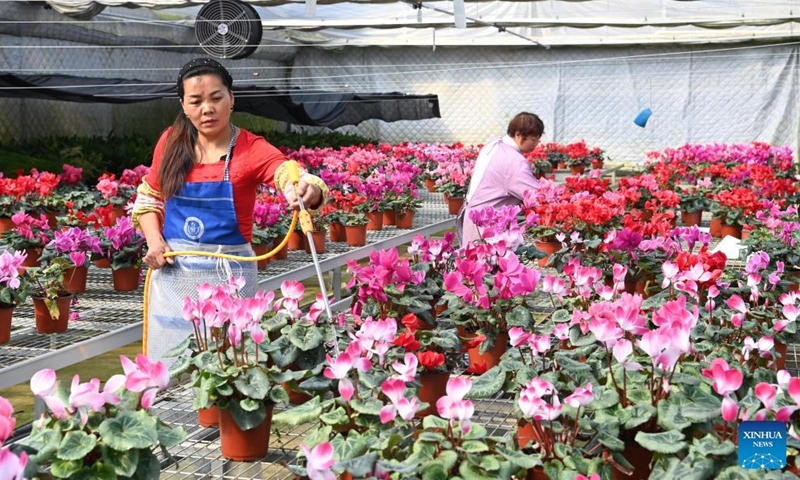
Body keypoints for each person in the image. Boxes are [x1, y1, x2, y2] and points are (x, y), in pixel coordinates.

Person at [132, 57, 328, 364]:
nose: (206, 109)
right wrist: (155, 242)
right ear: (183, 105)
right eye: (195, 101)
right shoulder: (171, 142)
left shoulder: (250, 148)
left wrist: (305, 189)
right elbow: (149, 197)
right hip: (174, 276)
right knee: (170, 367)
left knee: (230, 365)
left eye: (216, 98)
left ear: (231, 99)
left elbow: (286, 172)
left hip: (230, 277)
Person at [456, 112, 544, 246]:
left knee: (473, 263)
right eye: (533, 139)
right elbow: (536, 197)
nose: (537, 144)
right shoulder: (514, 162)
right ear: (519, 135)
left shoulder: (494, 143)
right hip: (488, 227)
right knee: (488, 263)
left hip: (473, 216)